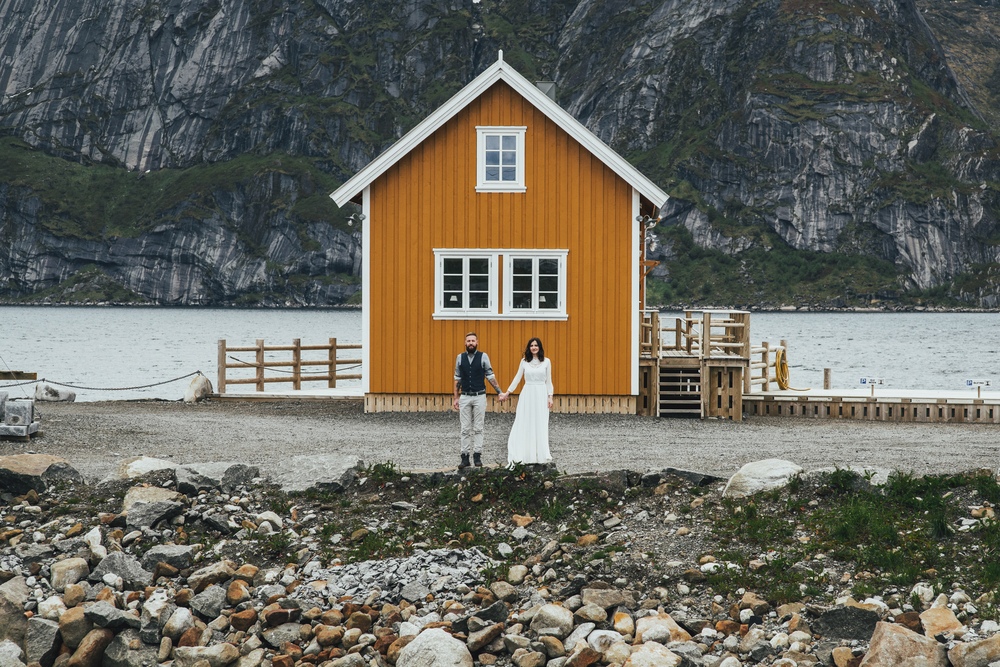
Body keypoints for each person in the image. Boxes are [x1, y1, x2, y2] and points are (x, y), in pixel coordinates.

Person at [499, 337, 553, 465]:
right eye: (531, 345)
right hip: (527, 393)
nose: (534, 347)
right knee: (526, 420)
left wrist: (550, 396)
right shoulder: (524, 362)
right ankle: (526, 453)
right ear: (529, 348)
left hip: (541, 393)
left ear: (539, 347)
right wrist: (508, 392)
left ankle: (540, 454)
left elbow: (549, 381)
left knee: (539, 422)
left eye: (536, 345)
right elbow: (517, 378)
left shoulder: (546, 362)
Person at [453, 332, 503, 469]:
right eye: (468, 341)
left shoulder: (483, 356)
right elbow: (457, 378)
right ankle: (464, 457)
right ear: (465, 343)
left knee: (478, 428)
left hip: (479, 396)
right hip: (465, 396)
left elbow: (490, 375)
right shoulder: (460, 358)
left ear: (477, 342)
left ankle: (477, 456)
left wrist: (499, 392)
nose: (470, 343)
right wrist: (456, 398)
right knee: (464, 428)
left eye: (473, 341)